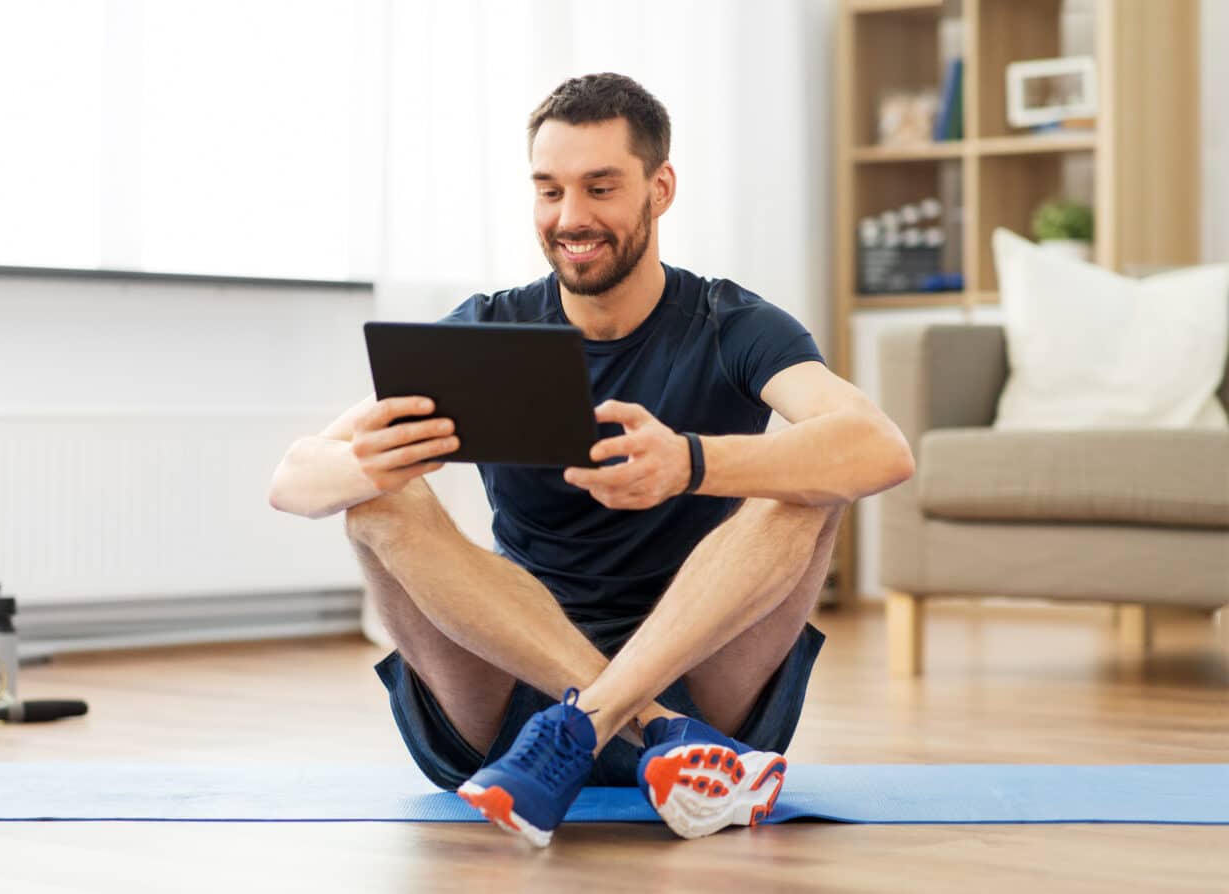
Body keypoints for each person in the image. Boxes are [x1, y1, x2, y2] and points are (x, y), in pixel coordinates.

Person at [268, 72, 914, 846]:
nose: (571, 218)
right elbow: (293, 481)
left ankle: (597, 722)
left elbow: (880, 447)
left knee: (813, 478)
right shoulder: (488, 329)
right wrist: (371, 464)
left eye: (600, 187)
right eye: (549, 191)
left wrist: (689, 462)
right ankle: (647, 728)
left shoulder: (731, 323)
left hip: (707, 675)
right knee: (377, 495)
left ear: (660, 188)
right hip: (517, 696)